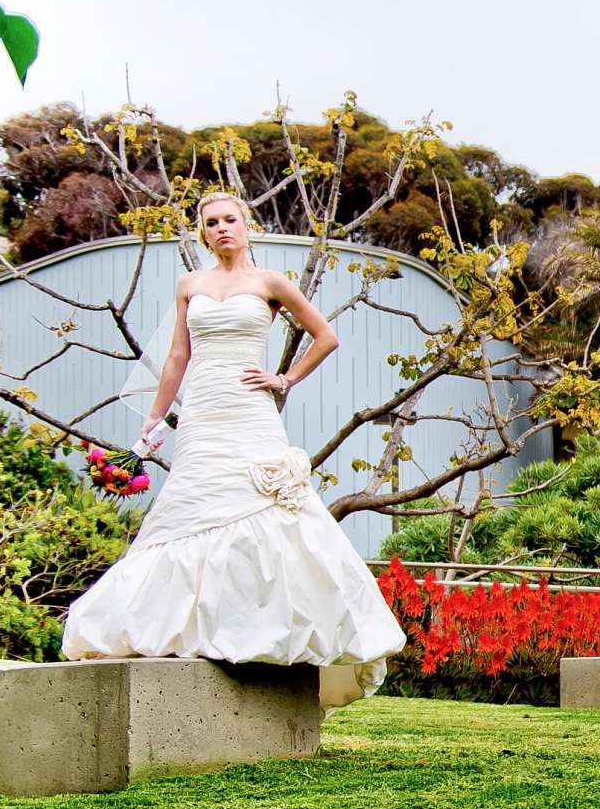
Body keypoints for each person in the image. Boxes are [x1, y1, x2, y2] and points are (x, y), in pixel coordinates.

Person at [61, 193, 405, 694]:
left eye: (230, 220)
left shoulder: (270, 282)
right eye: (212, 223)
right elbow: (178, 356)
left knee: (266, 510)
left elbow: (325, 337)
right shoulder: (190, 285)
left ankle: (275, 629)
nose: (222, 228)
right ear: (203, 233)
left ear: (247, 225)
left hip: (249, 410)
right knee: (188, 511)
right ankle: (188, 630)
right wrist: (155, 420)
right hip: (202, 412)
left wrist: (284, 379)